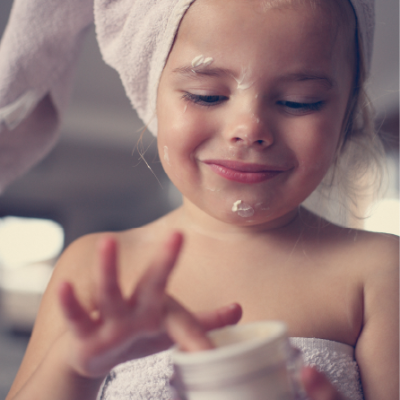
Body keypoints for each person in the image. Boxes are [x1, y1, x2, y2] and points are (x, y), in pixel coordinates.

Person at [5, 0, 400, 399]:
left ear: (347, 114)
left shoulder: (379, 272)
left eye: (300, 101)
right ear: (153, 95)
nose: (248, 129)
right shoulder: (96, 267)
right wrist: (72, 367)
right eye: (206, 95)